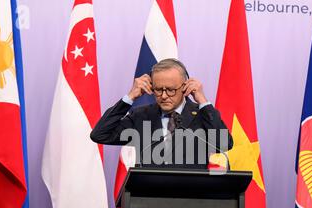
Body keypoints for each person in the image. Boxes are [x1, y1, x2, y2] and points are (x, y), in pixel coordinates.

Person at [90, 58, 233, 169]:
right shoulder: (141, 115)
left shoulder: (202, 115)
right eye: (158, 89)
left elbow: (224, 144)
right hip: (148, 201)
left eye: (170, 89)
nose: (164, 96)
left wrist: (202, 100)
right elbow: (101, 134)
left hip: (191, 200)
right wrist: (130, 97)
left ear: (185, 87)